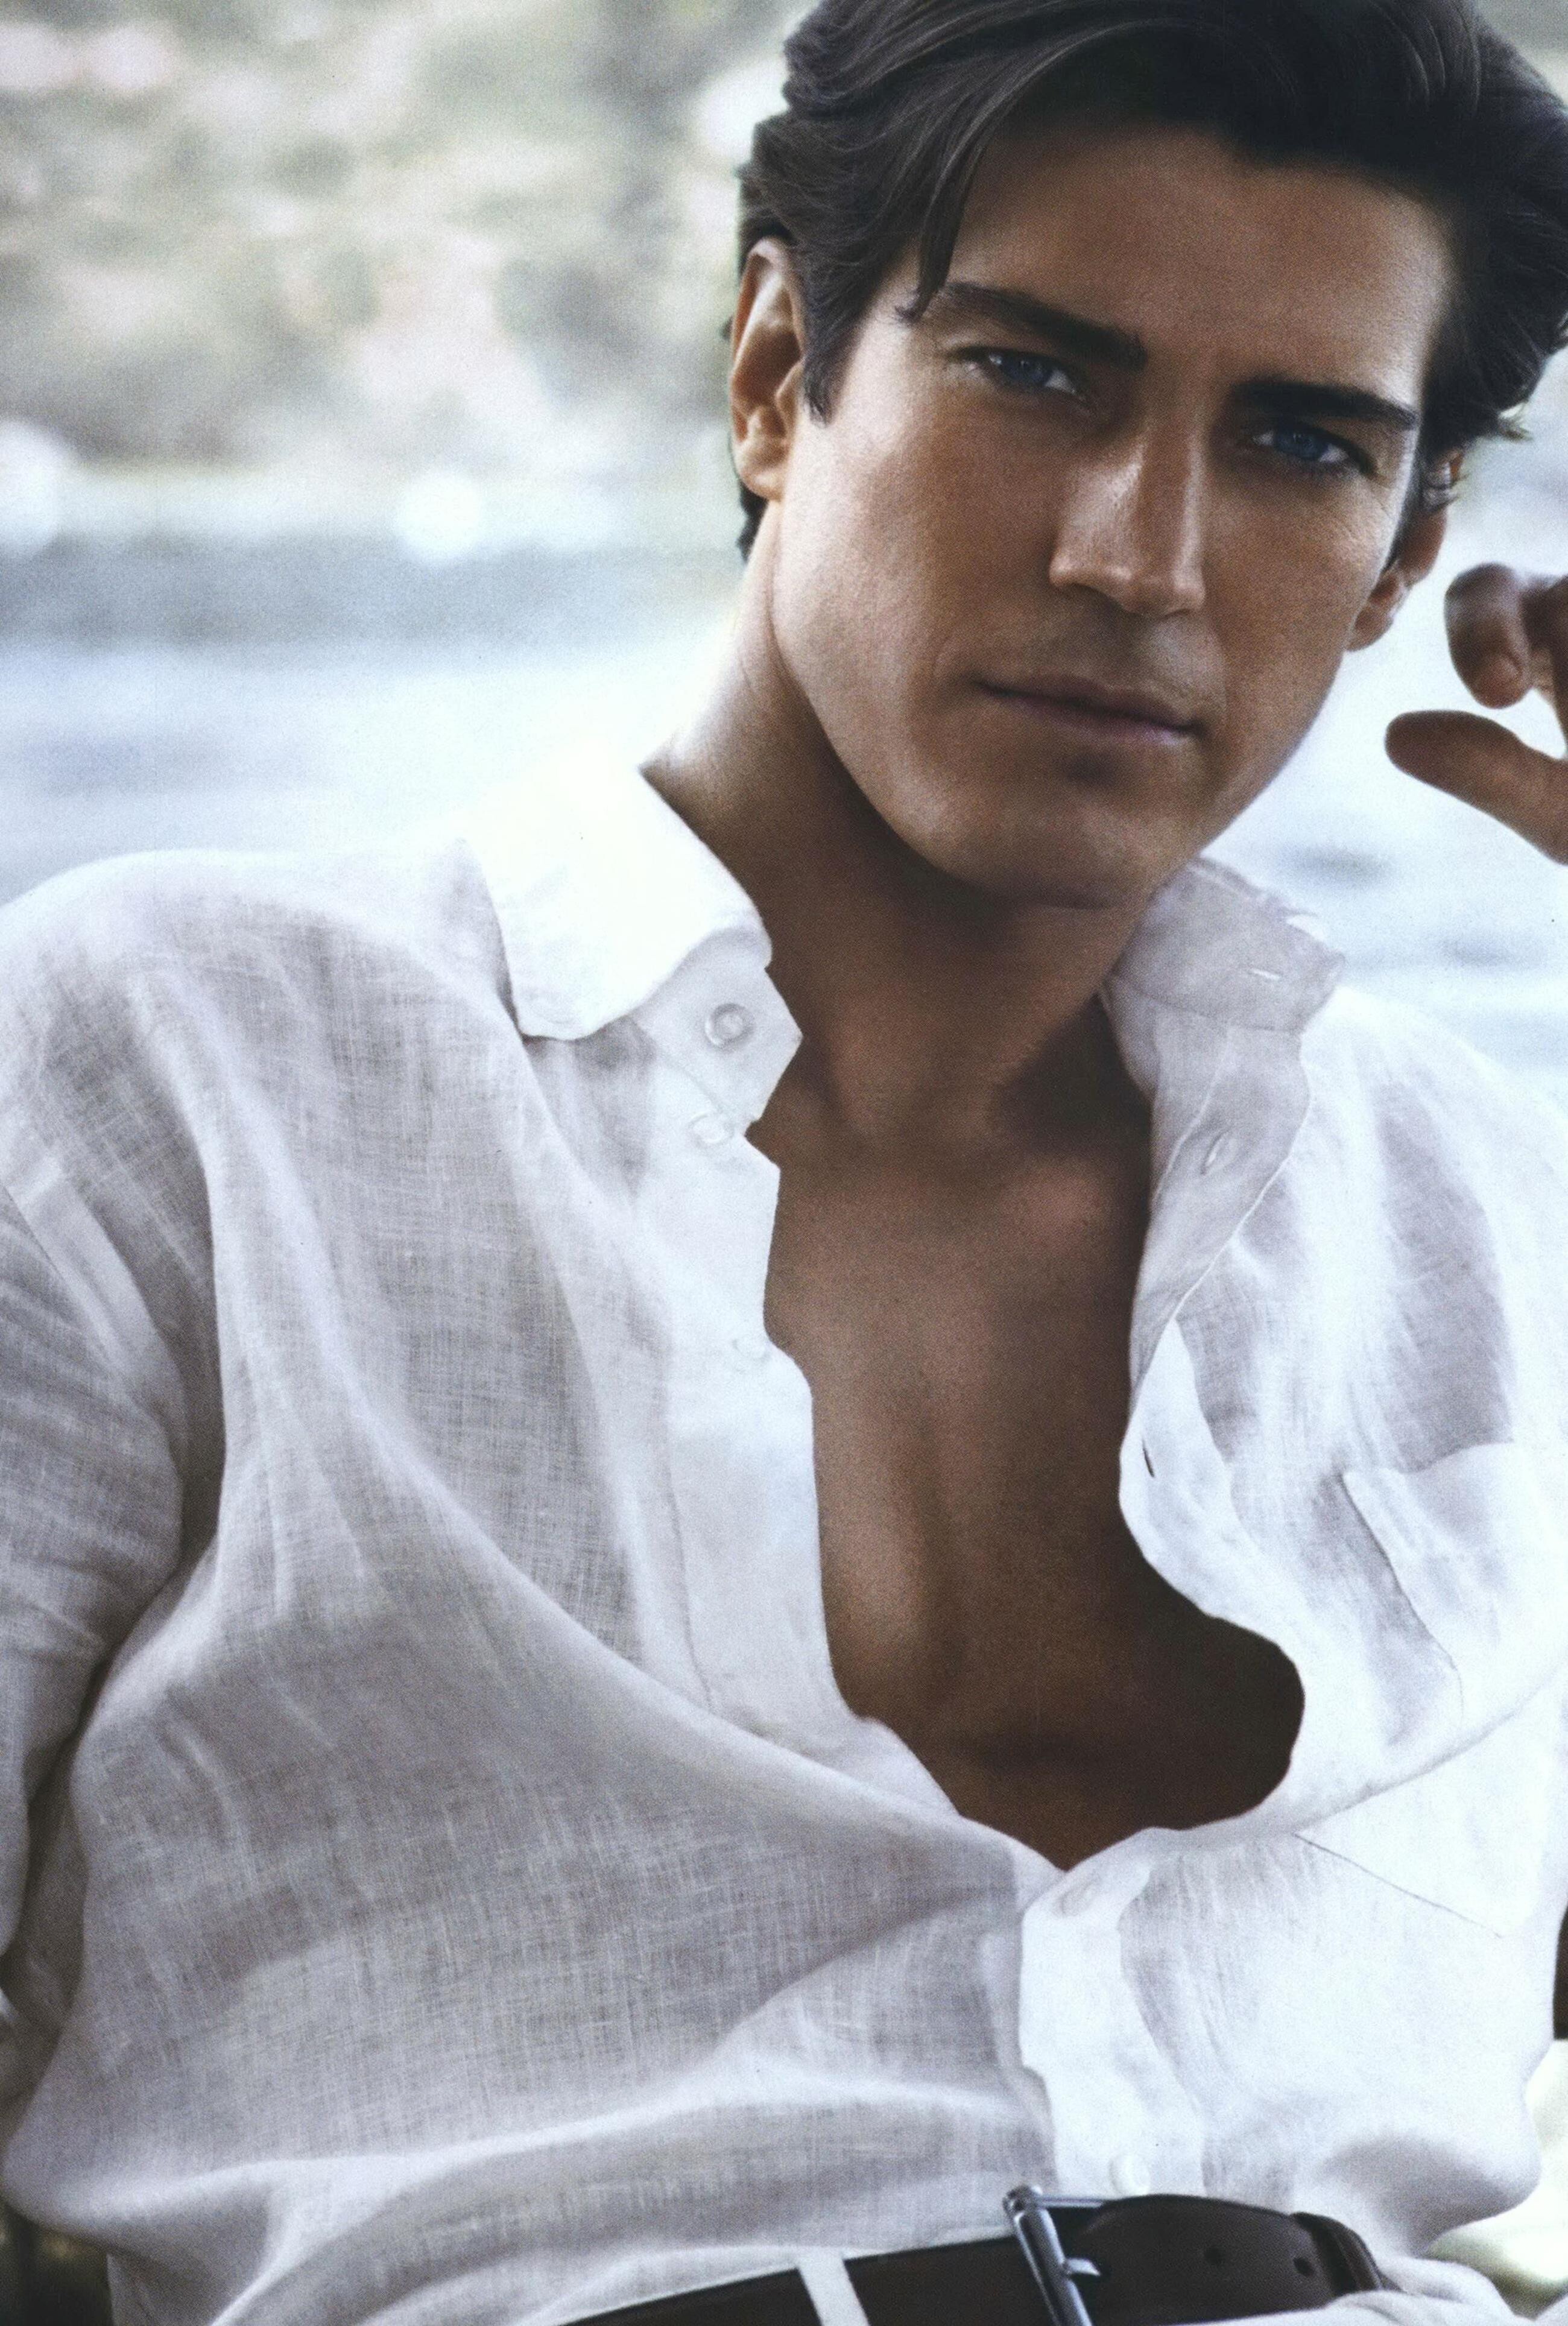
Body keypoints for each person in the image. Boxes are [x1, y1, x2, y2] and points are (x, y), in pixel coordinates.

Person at [4, 1, 1568, 2321]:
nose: (1139, 555)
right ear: (771, 369)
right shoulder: (179, 1063)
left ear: (1402, 547)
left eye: (1298, 444)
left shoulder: (1494, 1219)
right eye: (1032, 372)